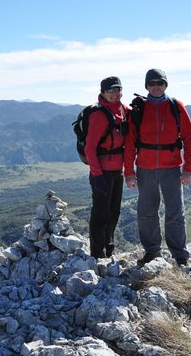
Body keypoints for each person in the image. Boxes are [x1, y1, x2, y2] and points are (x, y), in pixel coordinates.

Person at [124, 68, 191, 267]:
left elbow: (189, 139)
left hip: (172, 168)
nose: (156, 87)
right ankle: (152, 251)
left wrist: (188, 169)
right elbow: (130, 143)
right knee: (146, 211)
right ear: (146, 86)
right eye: (152, 83)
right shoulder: (139, 109)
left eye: (160, 83)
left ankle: (180, 254)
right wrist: (129, 173)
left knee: (175, 211)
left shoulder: (176, 107)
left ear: (166, 85)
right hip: (145, 168)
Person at [85, 76, 129, 259]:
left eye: (117, 90)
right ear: (102, 93)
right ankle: (97, 253)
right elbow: (89, 148)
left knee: (114, 212)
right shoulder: (99, 115)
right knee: (101, 213)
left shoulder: (123, 110)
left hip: (117, 170)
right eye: (110, 91)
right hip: (102, 172)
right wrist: (97, 175)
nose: (114, 94)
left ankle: (108, 249)